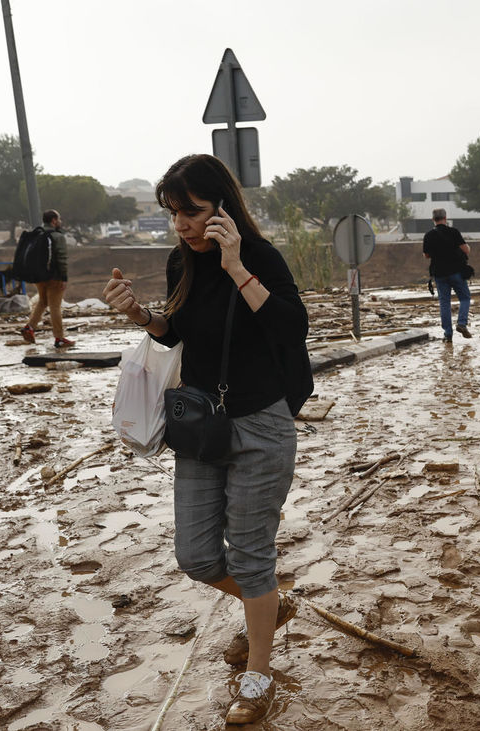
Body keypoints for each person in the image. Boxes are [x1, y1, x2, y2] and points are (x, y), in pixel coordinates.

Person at [101, 154, 312, 725]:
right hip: (200, 425)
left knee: (250, 557)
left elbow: (293, 329)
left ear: (222, 207)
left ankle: (257, 678)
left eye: (191, 213)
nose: (182, 226)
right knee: (195, 556)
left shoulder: (260, 256)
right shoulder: (179, 262)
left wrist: (237, 265)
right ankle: (271, 604)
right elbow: (178, 333)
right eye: (173, 214)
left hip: (262, 425)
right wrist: (141, 315)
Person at [20, 209, 74, 347]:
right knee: (55, 306)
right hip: (54, 277)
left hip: (39, 277)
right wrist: (64, 277)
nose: (60, 222)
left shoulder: (37, 235)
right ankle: (59, 338)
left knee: (43, 302)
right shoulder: (57, 236)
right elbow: (62, 258)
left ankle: (29, 327)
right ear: (54, 220)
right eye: (59, 219)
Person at [422, 208, 472, 341]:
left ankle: (448, 334)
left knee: (444, 303)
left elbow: (426, 255)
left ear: (433, 219)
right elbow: (466, 250)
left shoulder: (428, 235)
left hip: (439, 274)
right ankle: (461, 323)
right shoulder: (453, 232)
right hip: (456, 272)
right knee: (465, 298)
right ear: (445, 217)